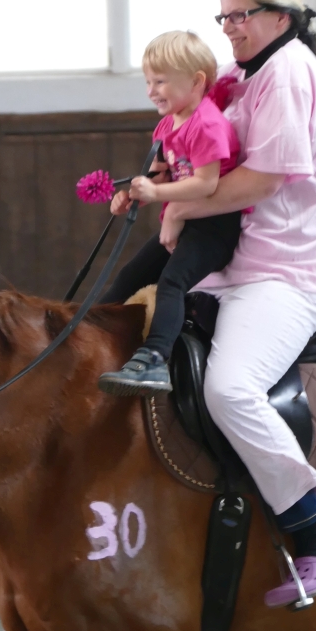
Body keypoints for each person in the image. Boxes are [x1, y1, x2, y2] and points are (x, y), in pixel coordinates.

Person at [158, 0, 316, 606]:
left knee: (230, 387)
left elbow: (266, 181)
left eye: (240, 15)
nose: (230, 28)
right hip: (243, 263)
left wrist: (178, 204)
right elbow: (195, 107)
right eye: (223, 16)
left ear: (282, 17)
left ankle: (315, 538)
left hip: (291, 272)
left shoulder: (289, 71)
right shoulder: (246, 75)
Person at [98, 31, 242, 394]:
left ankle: (155, 358)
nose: (152, 91)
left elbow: (207, 184)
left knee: (172, 283)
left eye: (161, 81)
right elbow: (166, 172)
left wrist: (158, 192)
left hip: (213, 227)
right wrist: (135, 194)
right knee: (131, 274)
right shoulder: (167, 124)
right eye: (148, 81)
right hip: (184, 222)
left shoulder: (208, 125)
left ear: (196, 82)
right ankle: (91, 328)